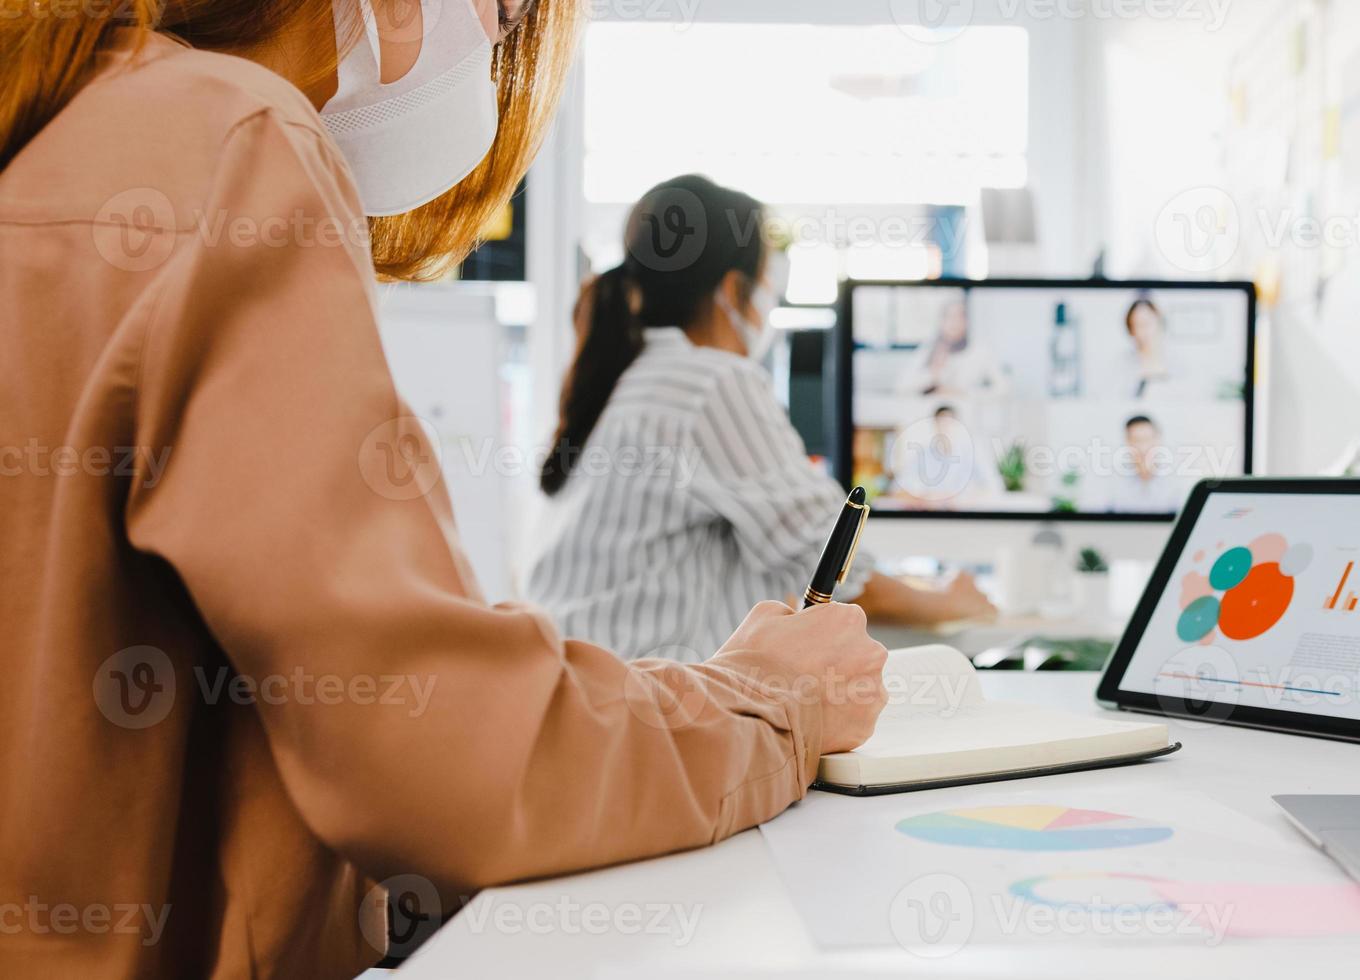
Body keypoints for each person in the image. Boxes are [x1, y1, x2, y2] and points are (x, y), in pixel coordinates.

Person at [0, 4, 888, 977]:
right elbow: (436, 748)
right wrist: (768, 697)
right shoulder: (227, 137)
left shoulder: (58, 117)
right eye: (503, 13)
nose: (497, 49)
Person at [529, 175, 995, 660]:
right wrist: (949, 601)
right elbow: (833, 567)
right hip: (645, 705)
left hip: (592, 694)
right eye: (769, 280)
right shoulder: (710, 382)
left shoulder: (627, 375)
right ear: (733, 289)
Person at [896, 296, 1010, 396]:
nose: (954, 322)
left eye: (959, 317)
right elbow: (901, 388)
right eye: (949, 317)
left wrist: (962, 393)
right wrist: (932, 374)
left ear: (967, 322)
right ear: (941, 321)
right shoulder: (929, 349)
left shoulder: (980, 351)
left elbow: (1004, 389)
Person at [1108, 414, 1188, 514]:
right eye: (1136, 441)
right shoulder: (1113, 482)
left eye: (1147, 439)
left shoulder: (1176, 482)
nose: (1143, 448)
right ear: (1127, 442)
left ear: (1158, 440)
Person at [1124, 296, 1169, 396]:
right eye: (1138, 325)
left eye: (1147, 323)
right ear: (1131, 330)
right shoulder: (1121, 365)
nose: (1144, 332)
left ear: (1160, 324)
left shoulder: (1179, 365)